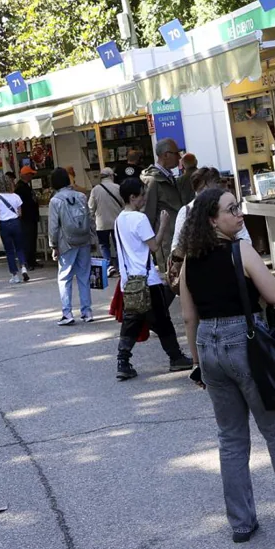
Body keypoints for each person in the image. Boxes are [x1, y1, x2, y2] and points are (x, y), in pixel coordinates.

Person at [179, 187, 275, 543]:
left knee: (231, 439)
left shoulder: (190, 259)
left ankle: (241, 522)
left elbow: (189, 317)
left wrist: (197, 362)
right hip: (244, 342)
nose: (238, 214)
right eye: (231, 210)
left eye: (237, 208)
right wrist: (271, 278)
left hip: (208, 343)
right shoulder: (241, 250)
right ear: (212, 220)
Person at [113, 177, 193, 379]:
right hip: (147, 279)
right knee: (162, 320)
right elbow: (155, 246)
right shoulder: (139, 219)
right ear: (132, 197)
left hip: (129, 280)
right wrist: (164, 224)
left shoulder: (119, 219)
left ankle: (123, 360)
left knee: (133, 320)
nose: (144, 198)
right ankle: (175, 357)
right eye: (142, 195)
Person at [48, 167, 93, 325]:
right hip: (84, 240)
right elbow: (90, 218)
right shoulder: (81, 196)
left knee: (64, 278)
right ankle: (87, 311)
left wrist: (53, 246)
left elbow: (53, 227)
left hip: (66, 243)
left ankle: (67, 313)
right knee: (84, 276)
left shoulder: (55, 200)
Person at [141, 138, 194, 269]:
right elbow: (148, 216)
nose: (179, 157)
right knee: (171, 278)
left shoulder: (168, 176)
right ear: (166, 155)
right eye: (177, 153)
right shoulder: (153, 181)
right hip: (166, 243)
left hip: (178, 237)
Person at [0, 175, 28, 284]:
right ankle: (24, 267)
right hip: (16, 223)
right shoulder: (16, 196)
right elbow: (20, 213)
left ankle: (14, 275)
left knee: (9, 251)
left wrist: (0, 223)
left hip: (4, 225)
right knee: (20, 248)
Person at [88, 167, 123, 267]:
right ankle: (120, 265)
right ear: (111, 176)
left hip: (101, 223)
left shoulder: (95, 190)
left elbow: (90, 207)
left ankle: (108, 266)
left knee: (104, 245)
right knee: (118, 245)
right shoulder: (118, 187)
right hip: (117, 222)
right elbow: (124, 204)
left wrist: (90, 221)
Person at [15, 166, 42, 269]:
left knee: (31, 240)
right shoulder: (21, 188)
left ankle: (32, 261)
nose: (32, 176)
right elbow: (23, 203)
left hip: (30, 217)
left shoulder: (25, 186)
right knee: (28, 240)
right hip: (26, 218)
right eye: (30, 174)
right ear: (25, 175)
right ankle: (27, 262)